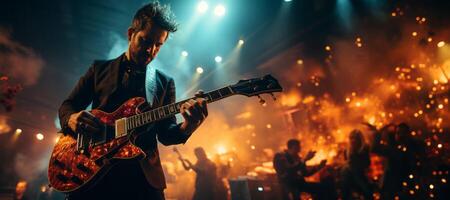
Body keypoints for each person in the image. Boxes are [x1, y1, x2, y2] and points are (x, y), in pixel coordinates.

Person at [58, 2, 208, 200]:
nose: (151, 50)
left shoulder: (164, 83)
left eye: (158, 45)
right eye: (145, 41)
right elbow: (68, 105)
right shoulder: (99, 70)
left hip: (142, 180)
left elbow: (166, 134)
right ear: (130, 34)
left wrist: (189, 126)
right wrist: (72, 118)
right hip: (93, 173)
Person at [340, 129, 373, 200]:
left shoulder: (364, 149)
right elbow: (346, 163)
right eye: (351, 138)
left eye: (354, 138)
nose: (352, 140)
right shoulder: (347, 151)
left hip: (360, 176)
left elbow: (367, 163)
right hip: (349, 177)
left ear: (359, 139)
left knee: (367, 193)